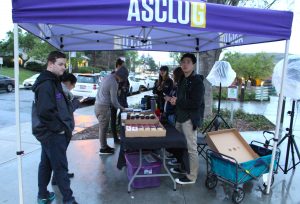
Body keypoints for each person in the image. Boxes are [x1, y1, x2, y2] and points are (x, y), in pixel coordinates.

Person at [32, 51, 78, 204]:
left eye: (64, 64)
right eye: (60, 64)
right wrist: (59, 128)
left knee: (46, 164)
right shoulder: (46, 84)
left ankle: (43, 195)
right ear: (50, 64)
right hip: (52, 134)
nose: (63, 67)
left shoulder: (53, 81)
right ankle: (68, 199)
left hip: (49, 133)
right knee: (60, 167)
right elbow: (45, 111)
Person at [170, 53, 205, 185]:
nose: (184, 64)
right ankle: (183, 167)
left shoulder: (197, 82)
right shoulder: (182, 79)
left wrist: (178, 101)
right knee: (180, 145)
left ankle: (192, 176)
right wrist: (175, 101)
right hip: (180, 117)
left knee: (191, 148)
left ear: (193, 64)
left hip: (189, 119)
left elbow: (195, 103)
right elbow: (180, 99)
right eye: (183, 62)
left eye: (188, 62)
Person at [51, 73, 79, 185]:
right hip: (62, 128)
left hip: (64, 128)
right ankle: (58, 178)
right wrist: (76, 102)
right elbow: (67, 110)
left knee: (61, 154)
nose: (73, 87)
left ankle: (61, 174)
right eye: (73, 85)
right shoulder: (61, 93)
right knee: (59, 155)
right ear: (68, 83)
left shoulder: (64, 92)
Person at [95, 66, 128, 154]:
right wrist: (122, 108)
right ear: (121, 76)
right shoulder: (114, 83)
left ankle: (104, 146)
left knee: (103, 128)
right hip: (104, 107)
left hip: (97, 105)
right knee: (103, 129)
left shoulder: (107, 77)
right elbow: (114, 101)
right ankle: (103, 148)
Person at [110, 58, 129, 143]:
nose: (123, 67)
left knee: (123, 119)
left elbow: (127, 85)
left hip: (122, 100)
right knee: (113, 119)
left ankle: (123, 136)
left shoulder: (124, 75)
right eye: (122, 65)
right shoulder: (113, 75)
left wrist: (125, 88)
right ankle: (115, 138)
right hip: (114, 100)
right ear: (118, 65)